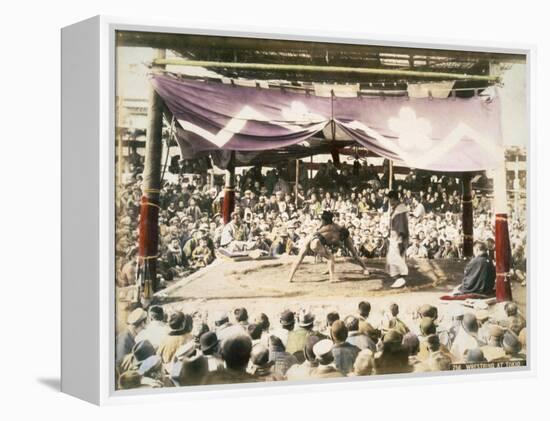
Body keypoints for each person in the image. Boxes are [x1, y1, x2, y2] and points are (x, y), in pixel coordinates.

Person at [287, 210, 370, 283]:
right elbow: (316, 234)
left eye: (323, 220)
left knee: (300, 257)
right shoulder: (324, 227)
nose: (322, 221)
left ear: (326, 220)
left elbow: (342, 234)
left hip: (324, 239)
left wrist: (340, 241)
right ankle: (332, 278)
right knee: (330, 257)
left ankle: (290, 278)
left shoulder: (335, 227)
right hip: (316, 241)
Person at [386, 191, 409, 288]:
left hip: (398, 237)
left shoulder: (400, 210)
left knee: (394, 258)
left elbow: (401, 226)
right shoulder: (397, 208)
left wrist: (399, 238)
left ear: (393, 198)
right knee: (395, 257)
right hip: (395, 236)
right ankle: (400, 278)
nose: (389, 202)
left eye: (390, 200)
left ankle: (399, 278)